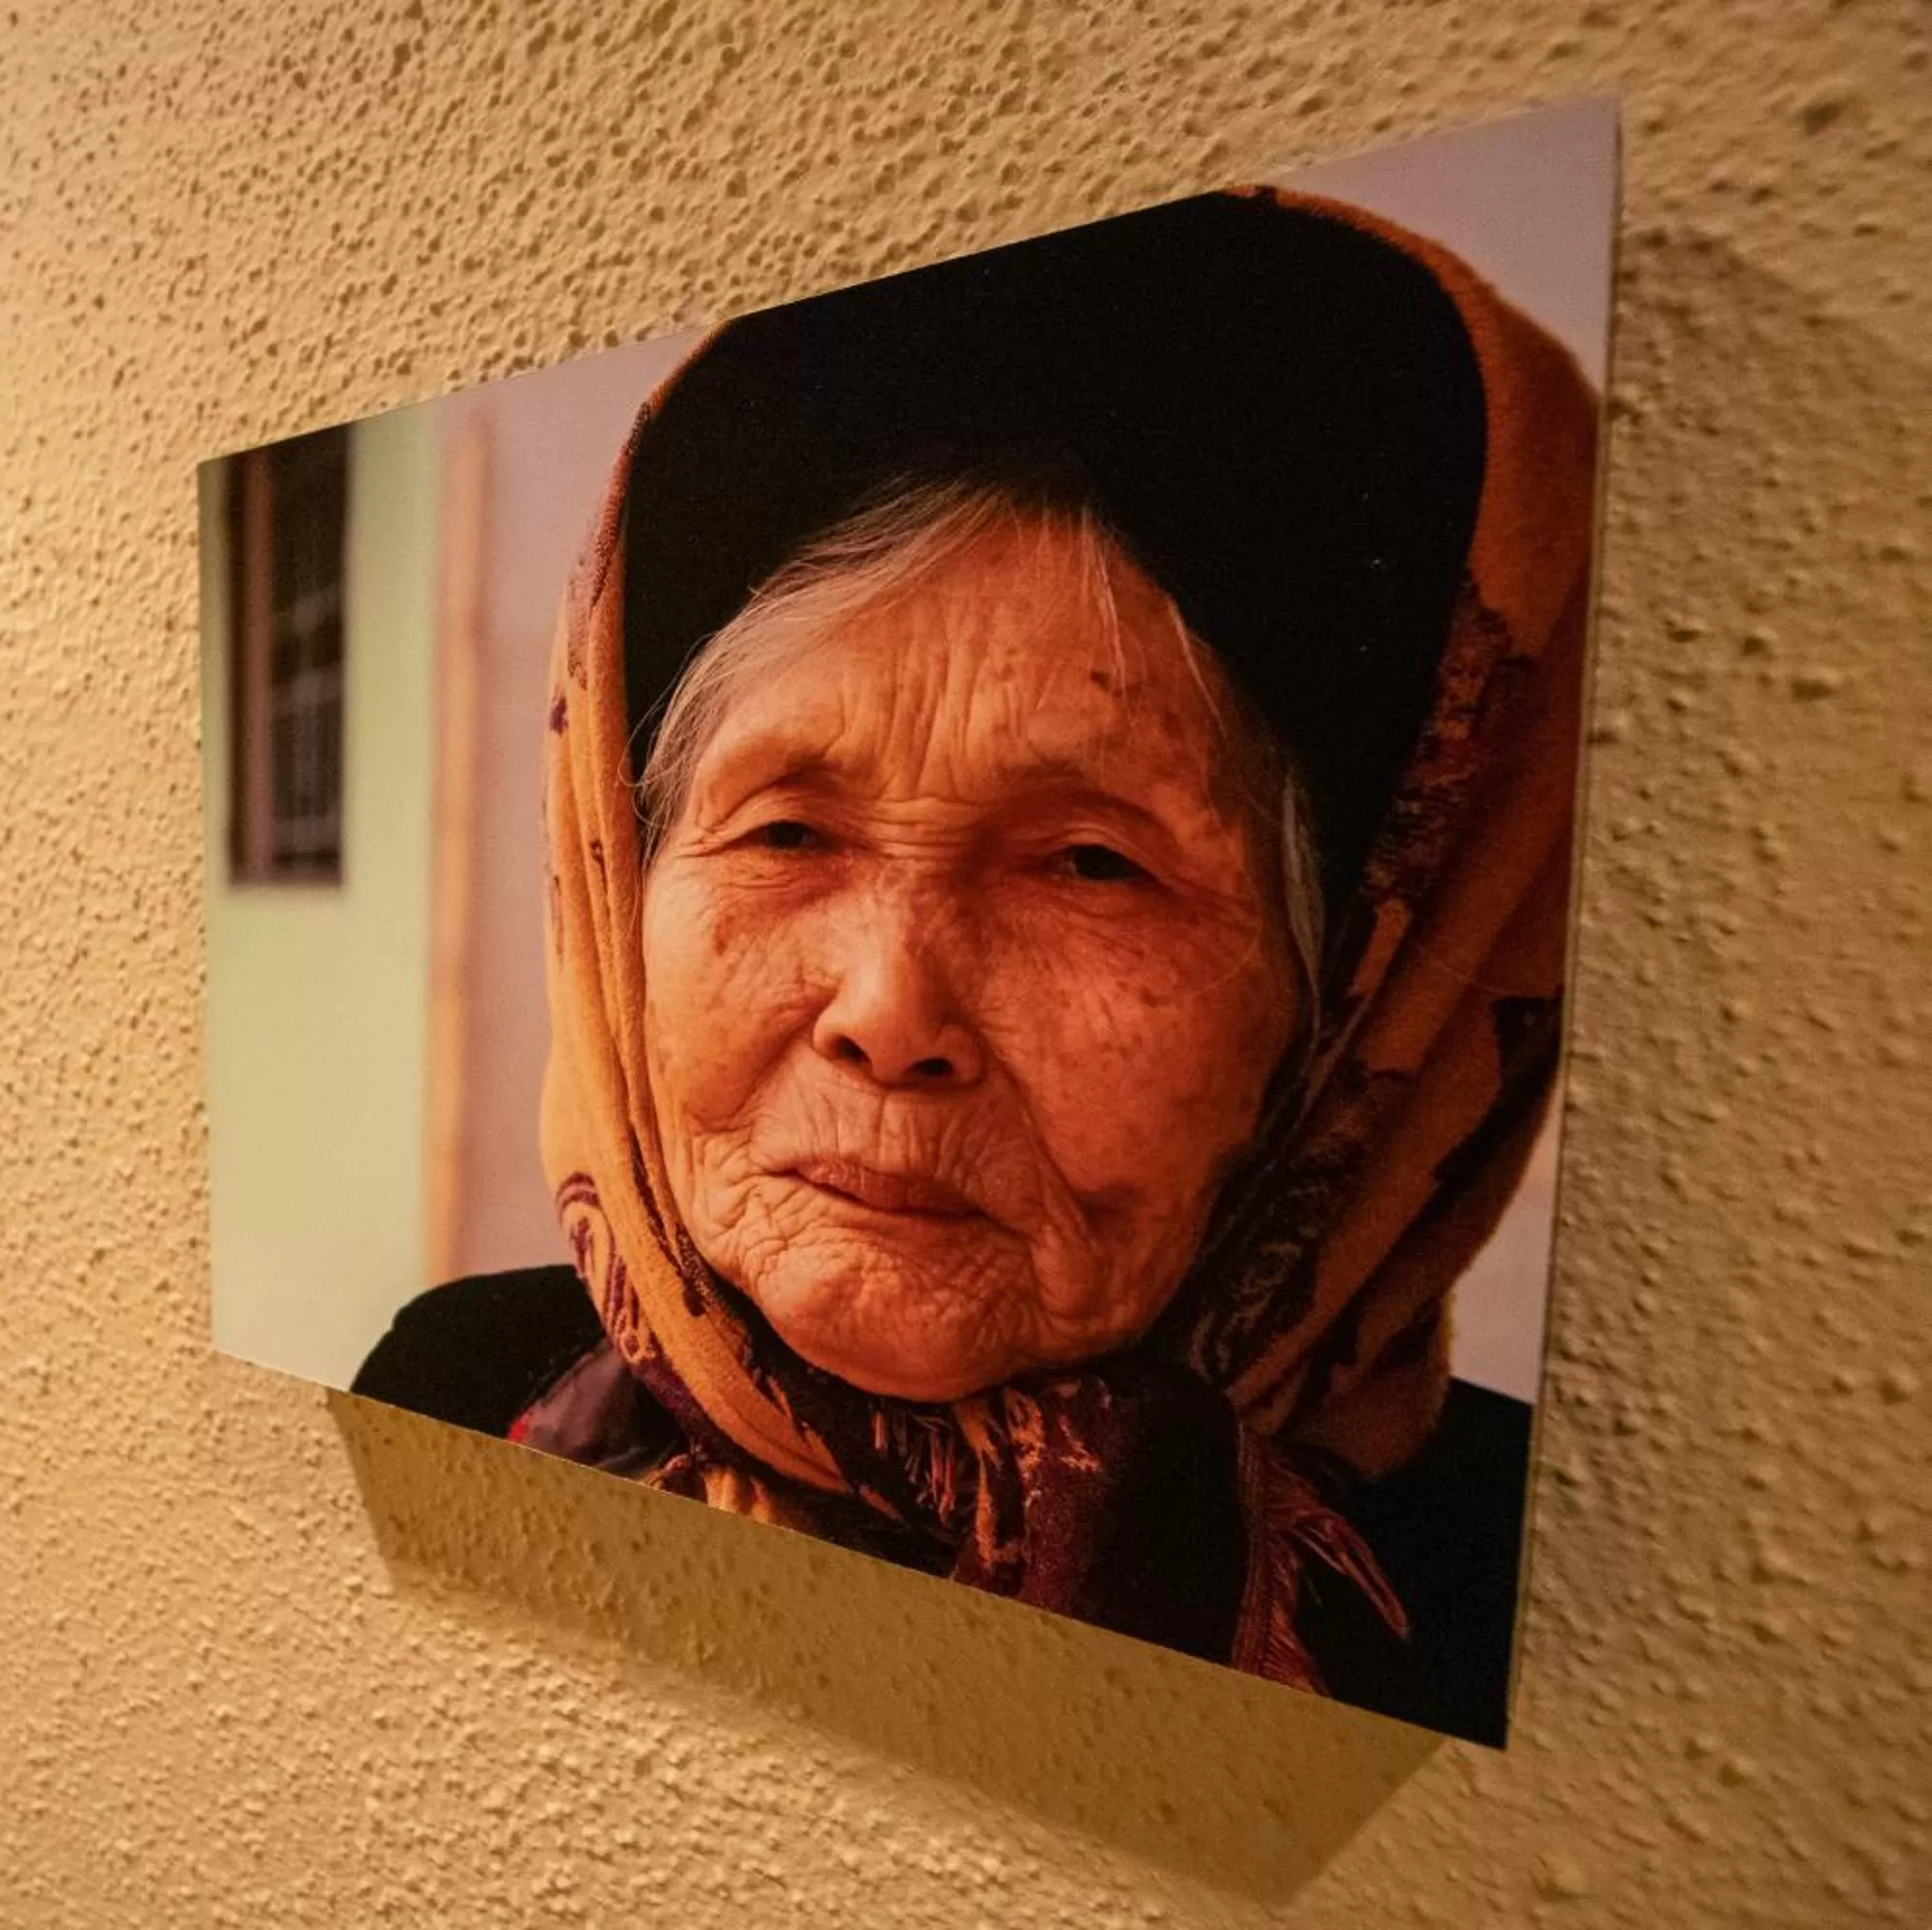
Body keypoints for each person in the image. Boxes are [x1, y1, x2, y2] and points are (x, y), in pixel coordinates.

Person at [355, 187, 1596, 1743]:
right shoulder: (458, 1386)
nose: (889, 1013)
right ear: (617, 880)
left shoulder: (1564, 1636)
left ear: (1370, 1000)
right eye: (786, 833)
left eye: (1092, 863)